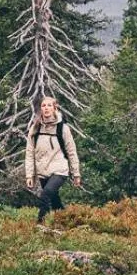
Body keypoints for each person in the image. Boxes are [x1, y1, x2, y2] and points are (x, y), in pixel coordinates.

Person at [25, 95, 81, 224]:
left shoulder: (63, 128)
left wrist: (76, 174)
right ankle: (69, 222)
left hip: (59, 169)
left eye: (49, 105)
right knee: (55, 201)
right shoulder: (35, 128)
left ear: (55, 108)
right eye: (43, 106)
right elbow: (29, 153)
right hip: (43, 171)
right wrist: (29, 175)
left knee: (46, 194)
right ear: (40, 109)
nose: (46, 108)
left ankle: (40, 223)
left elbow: (71, 152)